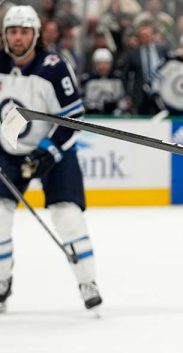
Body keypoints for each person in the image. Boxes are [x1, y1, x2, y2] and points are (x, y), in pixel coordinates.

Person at [0, 6, 102, 312]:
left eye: (24, 32)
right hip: (7, 151)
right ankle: (2, 280)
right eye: (12, 32)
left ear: (36, 35)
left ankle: (88, 281)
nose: (17, 38)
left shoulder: (55, 66)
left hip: (52, 148)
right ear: (5, 35)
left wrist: (49, 151)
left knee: (67, 215)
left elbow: (73, 117)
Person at [81, 48, 126, 115]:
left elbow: (123, 99)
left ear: (111, 64)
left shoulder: (117, 79)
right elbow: (83, 100)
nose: (102, 67)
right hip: (93, 116)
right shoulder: (88, 80)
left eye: (106, 63)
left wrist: (116, 106)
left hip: (114, 117)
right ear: (94, 64)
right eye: (99, 63)